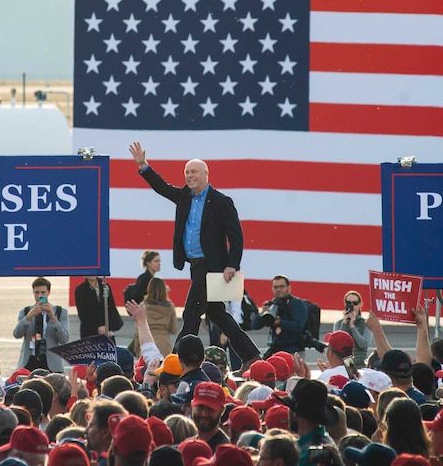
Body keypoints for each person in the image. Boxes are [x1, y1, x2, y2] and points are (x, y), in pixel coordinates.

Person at [128, 141, 261, 373]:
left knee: (191, 313)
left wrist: (232, 265)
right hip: (195, 265)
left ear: (206, 175)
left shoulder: (221, 202)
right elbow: (161, 187)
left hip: (214, 267)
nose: (189, 176)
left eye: (194, 172)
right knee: (216, 313)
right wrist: (143, 165)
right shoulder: (184, 197)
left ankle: (175, 363)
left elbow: (236, 237)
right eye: (187, 172)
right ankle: (251, 356)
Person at [13, 277, 70, 372]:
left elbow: (64, 339)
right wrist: (29, 317)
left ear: (49, 292)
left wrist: (52, 317)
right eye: (37, 292)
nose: (40, 296)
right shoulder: (25, 311)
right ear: (33, 293)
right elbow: (17, 334)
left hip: (51, 363)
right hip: (29, 361)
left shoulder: (60, 312)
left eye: (43, 293)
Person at [251, 275, 308, 357]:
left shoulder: (297, 304)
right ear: (272, 289)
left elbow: (298, 326)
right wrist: (262, 313)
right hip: (275, 351)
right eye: (276, 287)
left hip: (294, 351)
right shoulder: (272, 305)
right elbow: (254, 326)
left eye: (282, 286)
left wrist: (280, 322)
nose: (278, 289)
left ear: (289, 287)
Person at [131, 277, 177, 356]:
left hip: (146, 345)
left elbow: (138, 331)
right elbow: (174, 329)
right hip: (164, 347)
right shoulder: (170, 306)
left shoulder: (142, 306)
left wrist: (137, 348)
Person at [332, 291, 373, 369]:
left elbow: (363, 344)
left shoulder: (365, 323)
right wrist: (344, 324)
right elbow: (337, 344)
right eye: (348, 303)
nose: (352, 306)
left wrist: (352, 326)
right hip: (342, 365)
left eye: (355, 303)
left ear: (360, 304)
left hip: (359, 365)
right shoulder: (339, 323)